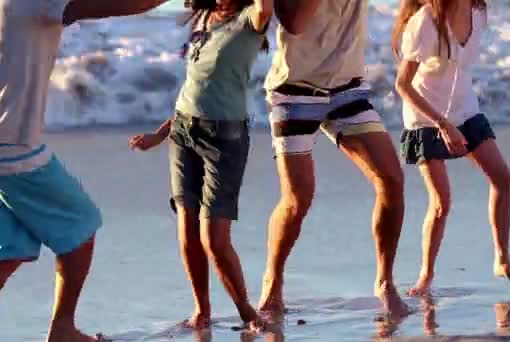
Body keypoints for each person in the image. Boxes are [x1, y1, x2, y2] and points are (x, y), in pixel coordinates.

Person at [0, 1, 170, 341]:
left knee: (13, 246)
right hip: (15, 148)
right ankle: (62, 328)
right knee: (81, 225)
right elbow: (111, 4)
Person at [257, 0, 409, 318]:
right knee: (297, 199)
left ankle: (385, 281)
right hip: (294, 90)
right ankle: (272, 283)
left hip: (348, 90)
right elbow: (294, 23)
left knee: (391, 179)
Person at [128, 0, 272, 331]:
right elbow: (193, 89)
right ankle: (201, 312)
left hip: (225, 140)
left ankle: (247, 312)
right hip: (182, 132)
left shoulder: (251, 19)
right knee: (188, 233)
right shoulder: (204, 18)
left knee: (215, 240)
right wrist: (159, 134)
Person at [393, 0, 510, 296]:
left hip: (464, 109)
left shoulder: (477, 12)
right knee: (442, 202)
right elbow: (403, 85)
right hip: (426, 117)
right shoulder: (426, 22)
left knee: (502, 177)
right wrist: (442, 124)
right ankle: (426, 275)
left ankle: (503, 260)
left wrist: (454, 121)